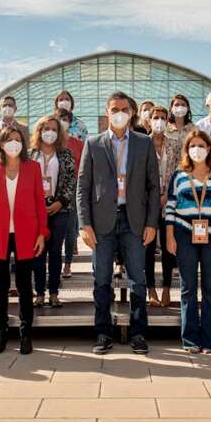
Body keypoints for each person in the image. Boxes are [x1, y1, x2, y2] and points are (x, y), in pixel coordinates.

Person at [78, 91, 161, 355]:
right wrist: (84, 223)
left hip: (134, 220)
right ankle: (103, 333)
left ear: (132, 112)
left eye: (124, 109)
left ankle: (138, 334)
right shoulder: (93, 144)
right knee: (101, 279)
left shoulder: (143, 143)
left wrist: (151, 223)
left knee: (138, 279)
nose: (119, 113)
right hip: (102, 222)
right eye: (115, 108)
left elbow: (153, 186)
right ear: (107, 112)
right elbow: (83, 187)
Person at [0, 127, 48, 355]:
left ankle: (26, 334)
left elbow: (40, 202)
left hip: (27, 234)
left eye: (18, 140)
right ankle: (0, 332)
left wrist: (42, 233)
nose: (14, 144)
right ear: (0, 144)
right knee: (0, 286)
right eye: (9, 140)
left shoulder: (33, 167)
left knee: (26, 286)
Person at [165, 130, 211, 353]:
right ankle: (190, 339)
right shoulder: (179, 176)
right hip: (185, 234)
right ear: (187, 150)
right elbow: (170, 208)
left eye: (201, 145)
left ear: (209, 148)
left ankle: (208, 339)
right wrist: (169, 236)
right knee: (188, 288)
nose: (197, 149)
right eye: (192, 145)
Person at [28, 116, 76, 308]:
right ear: (39, 131)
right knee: (38, 253)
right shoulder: (30, 154)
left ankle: (54, 292)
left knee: (55, 252)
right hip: (35, 210)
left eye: (54, 129)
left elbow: (72, 180)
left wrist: (60, 201)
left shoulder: (66, 154)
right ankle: (39, 292)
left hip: (60, 209)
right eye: (46, 128)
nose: (50, 132)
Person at [145, 105, 181, 307]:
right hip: (148, 202)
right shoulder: (142, 144)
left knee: (168, 246)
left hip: (169, 200)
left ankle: (166, 288)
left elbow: (178, 170)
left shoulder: (175, 144)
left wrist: (167, 194)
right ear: (149, 120)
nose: (158, 121)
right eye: (155, 117)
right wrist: (152, 196)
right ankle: (151, 289)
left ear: (167, 120)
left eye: (162, 117)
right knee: (148, 247)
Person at [56, 108, 85, 280]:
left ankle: (67, 263)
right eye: (59, 118)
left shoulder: (78, 144)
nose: (62, 121)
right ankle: (55, 262)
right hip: (52, 191)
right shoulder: (50, 143)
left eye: (65, 119)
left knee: (69, 228)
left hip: (72, 190)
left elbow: (82, 169)